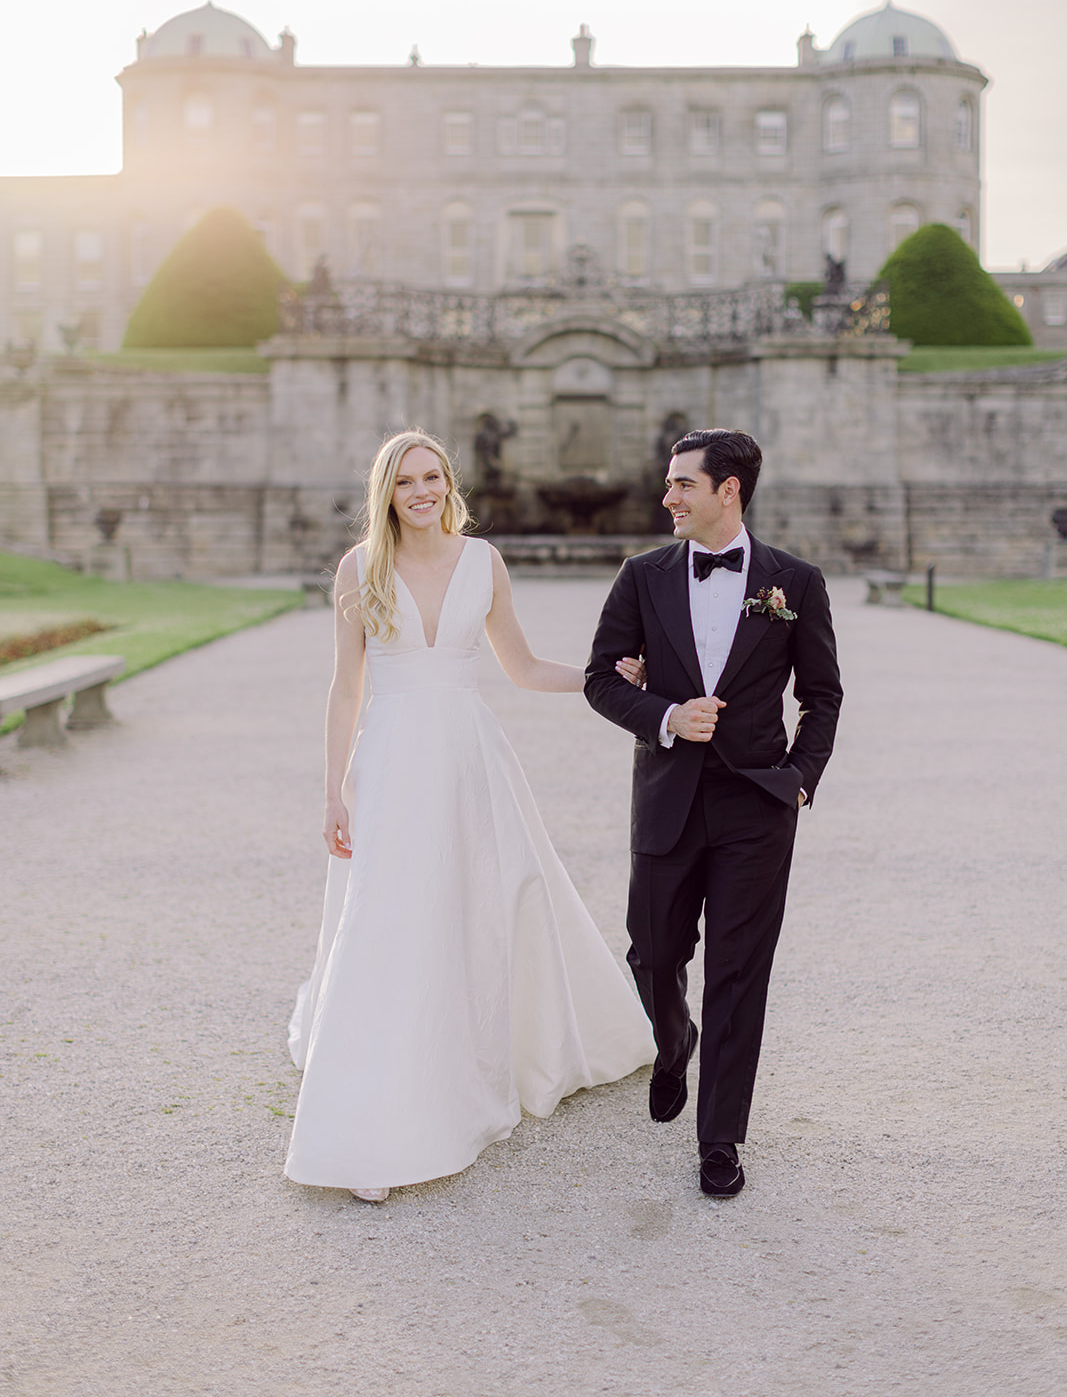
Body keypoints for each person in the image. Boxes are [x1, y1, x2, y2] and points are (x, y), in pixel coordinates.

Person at [285, 430, 654, 1202]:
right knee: (389, 921)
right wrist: (330, 790)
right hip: (389, 764)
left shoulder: (482, 562)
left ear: (448, 483)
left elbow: (519, 668)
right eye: (405, 481)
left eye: (432, 477)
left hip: (468, 762)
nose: (421, 491)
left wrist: (604, 678)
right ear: (385, 492)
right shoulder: (359, 569)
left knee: (485, 903)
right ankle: (380, 1121)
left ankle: (490, 1051)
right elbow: (345, 691)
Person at [584, 428, 842, 1197]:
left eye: (681, 485)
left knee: (738, 974)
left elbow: (821, 694)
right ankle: (672, 1042)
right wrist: (664, 715)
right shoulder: (641, 575)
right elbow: (602, 678)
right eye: (669, 484)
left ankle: (720, 1140)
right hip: (665, 798)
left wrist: (799, 776)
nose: (667, 496)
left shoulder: (794, 581)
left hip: (757, 806)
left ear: (727, 490)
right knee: (653, 956)